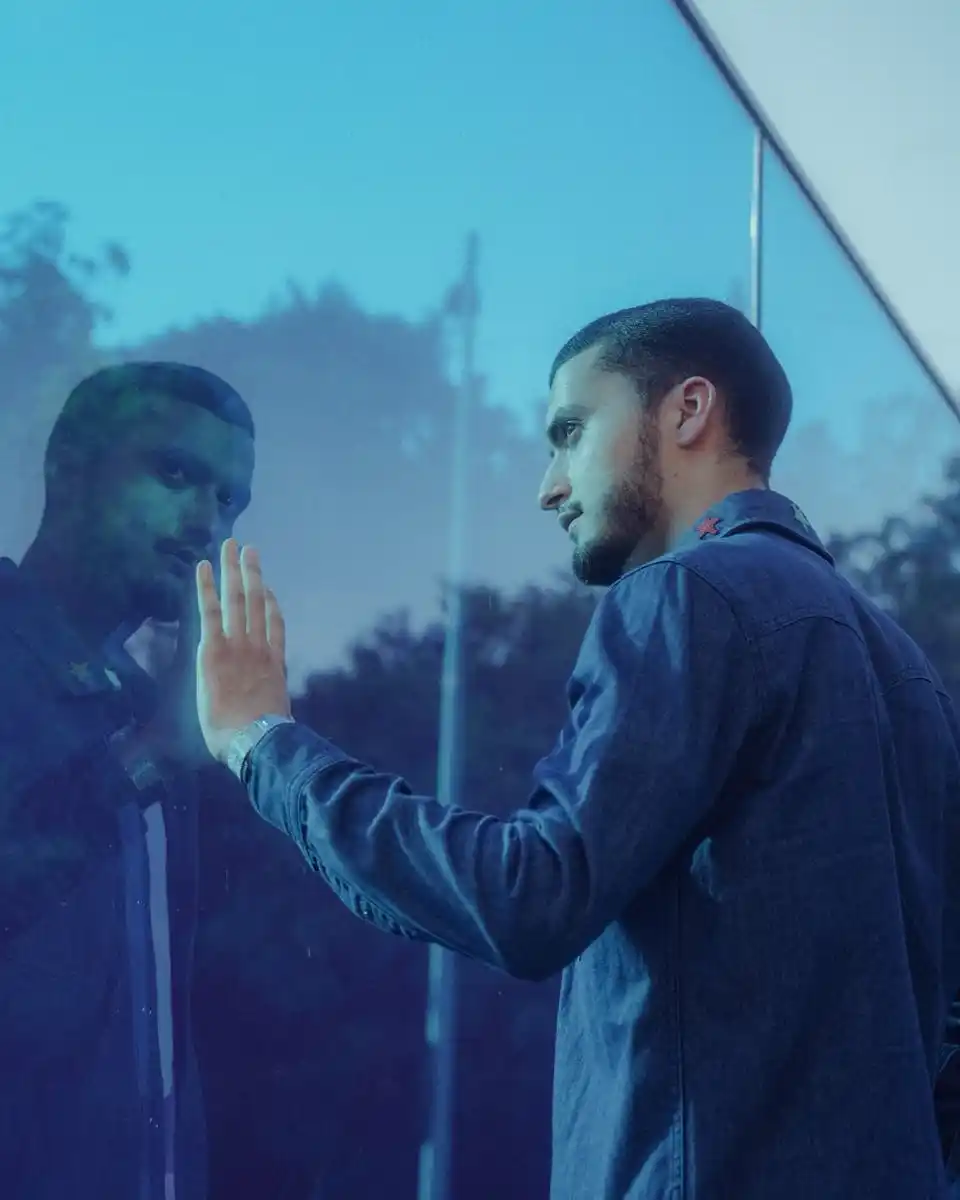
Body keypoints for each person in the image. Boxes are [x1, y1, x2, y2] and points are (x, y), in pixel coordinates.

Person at [191, 299, 960, 1199]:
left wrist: (264, 745)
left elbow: (532, 894)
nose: (550, 485)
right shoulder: (906, 669)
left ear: (687, 409)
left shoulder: (686, 598)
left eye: (569, 430)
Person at [0, 361, 255, 1199]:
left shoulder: (149, 708)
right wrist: (145, 754)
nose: (203, 523)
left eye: (228, 502)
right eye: (175, 473)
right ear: (67, 465)